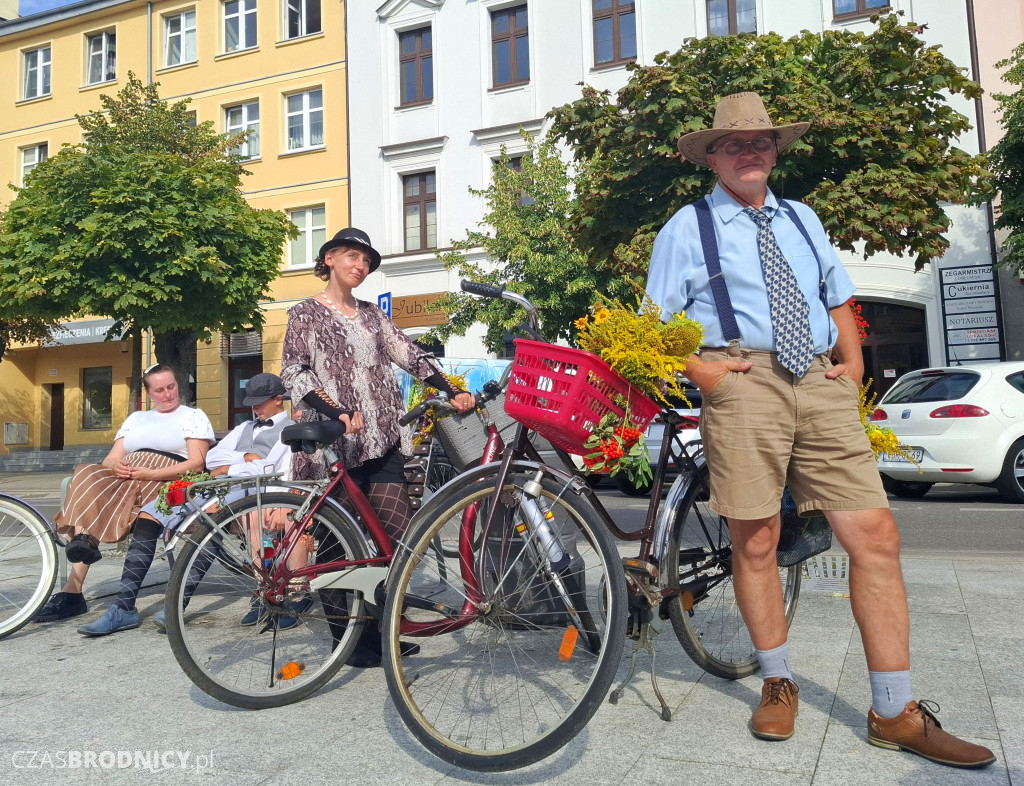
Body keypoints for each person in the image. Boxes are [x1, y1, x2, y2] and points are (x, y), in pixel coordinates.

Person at [646, 92, 995, 768]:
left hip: (820, 382)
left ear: (775, 152)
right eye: (734, 143)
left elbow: (837, 293)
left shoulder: (802, 217)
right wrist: (708, 375)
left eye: (762, 142)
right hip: (741, 379)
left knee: (875, 534)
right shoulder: (685, 228)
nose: (750, 151)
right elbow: (657, 322)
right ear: (711, 156)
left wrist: (855, 357)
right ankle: (777, 680)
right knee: (756, 539)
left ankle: (894, 709)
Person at [280, 227, 474, 666]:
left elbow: (411, 354)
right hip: (333, 447)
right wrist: (335, 411)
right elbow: (295, 373)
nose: (360, 266)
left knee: (399, 538)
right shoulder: (305, 314)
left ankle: (385, 626)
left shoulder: (372, 315)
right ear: (329, 258)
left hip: (381, 438)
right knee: (335, 547)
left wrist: (450, 388)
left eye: (366, 260)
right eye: (352, 256)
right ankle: (349, 643)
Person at [74, 373, 297, 637]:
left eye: (260, 402)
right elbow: (213, 457)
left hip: (249, 489)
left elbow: (270, 467)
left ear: (278, 400)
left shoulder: (289, 430)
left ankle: (176, 606)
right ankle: (123, 606)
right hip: (213, 484)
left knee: (211, 522)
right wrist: (242, 458)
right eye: (252, 402)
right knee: (150, 514)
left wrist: (231, 465)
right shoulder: (244, 428)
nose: (255, 407)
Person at [34, 364, 214, 627]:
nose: (167, 394)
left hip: (166, 482)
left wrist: (151, 473)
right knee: (86, 472)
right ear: (149, 392)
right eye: (160, 390)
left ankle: (75, 591)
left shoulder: (192, 415)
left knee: (104, 506)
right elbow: (111, 459)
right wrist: (115, 467)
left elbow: (197, 463)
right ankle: (83, 547)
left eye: (171, 387)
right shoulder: (136, 419)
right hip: (127, 480)